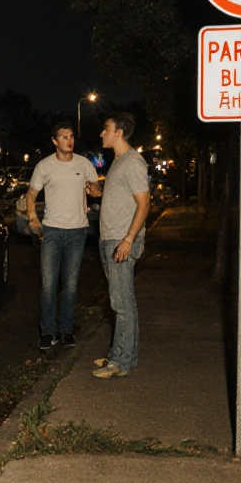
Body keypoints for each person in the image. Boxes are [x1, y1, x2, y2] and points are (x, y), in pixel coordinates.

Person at [85, 112, 150, 378]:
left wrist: (127, 240)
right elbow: (124, 197)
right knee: (121, 302)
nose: (102, 133)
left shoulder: (133, 162)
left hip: (120, 240)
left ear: (119, 133)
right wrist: (100, 192)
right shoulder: (119, 162)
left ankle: (120, 363)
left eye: (106, 129)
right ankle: (122, 356)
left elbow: (144, 204)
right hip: (110, 238)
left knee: (121, 303)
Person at [26, 122, 98, 351]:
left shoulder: (84, 164)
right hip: (52, 231)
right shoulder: (44, 166)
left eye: (71, 136)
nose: (69, 140)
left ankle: (67, 331)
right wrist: (32, 219)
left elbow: (96, 190)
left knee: (71, 285)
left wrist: (94, 191)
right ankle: (48, 332)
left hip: (77, 231)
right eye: (64, 137)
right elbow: (31, 195)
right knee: (48, 286)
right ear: (55, 141)